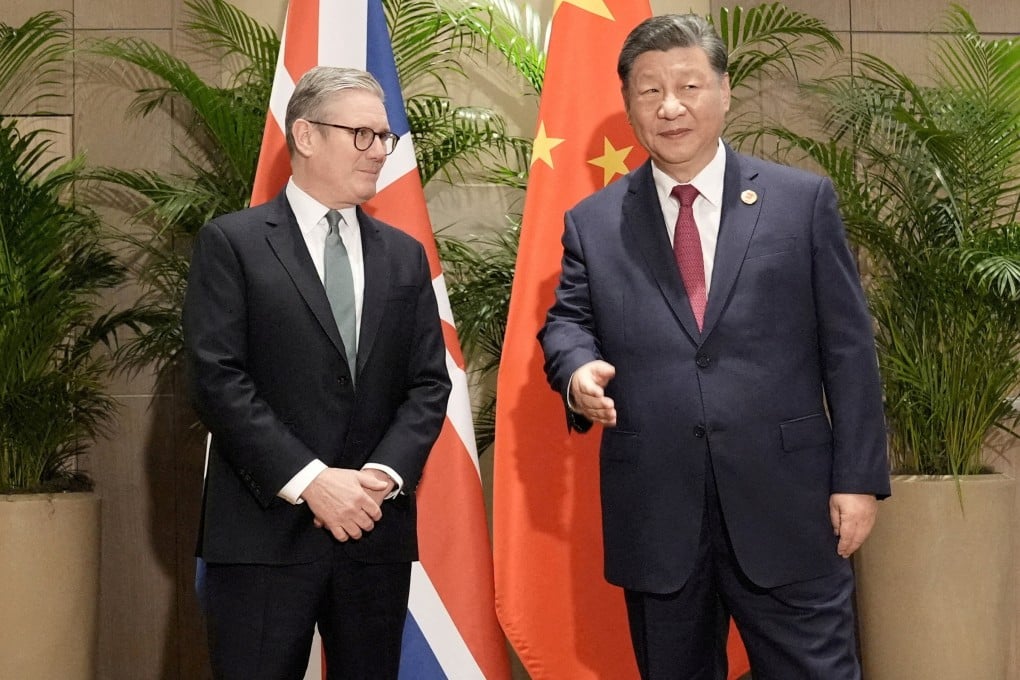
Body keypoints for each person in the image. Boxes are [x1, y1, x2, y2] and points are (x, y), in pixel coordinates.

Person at [538, 14, 890, 680]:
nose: (670, 106)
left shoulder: (801, 202)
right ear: (629, 104)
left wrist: (858, 480)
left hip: (789, 506)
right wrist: (577, 368)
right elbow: (567, 321)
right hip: (659, 513)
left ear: (724, 92)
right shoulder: (594, 223)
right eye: (649, 91)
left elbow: (849, 350)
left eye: (689, 86)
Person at [183, 66, 451, 680]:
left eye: (384, 137)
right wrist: (311, 481)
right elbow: (215, 378)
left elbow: (428, 384)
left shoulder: (404, 254)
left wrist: (381, 476)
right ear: (305, 136)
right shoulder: (233, 243)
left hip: (372, 532)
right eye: (362, 135)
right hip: (262, 533)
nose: (380, 151)